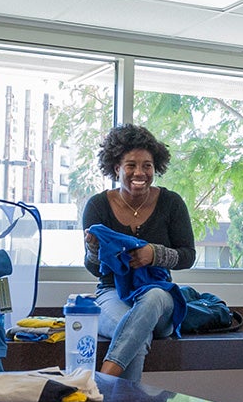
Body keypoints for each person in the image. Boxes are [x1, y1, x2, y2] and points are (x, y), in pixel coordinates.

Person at [78, 124, 195, 382]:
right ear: (116, 168)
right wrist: (94, 250)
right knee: (135, 333)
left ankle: (103, 381)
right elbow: (95, 269)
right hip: (112, 293)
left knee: (153, 296)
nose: (140, 172)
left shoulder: (171, 203)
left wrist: (154, 254)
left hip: (160, 297)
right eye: (131, 165)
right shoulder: (98, 206)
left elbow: (188, 255)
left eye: (147, 165)